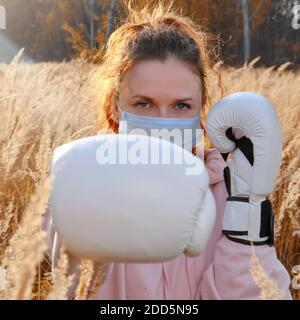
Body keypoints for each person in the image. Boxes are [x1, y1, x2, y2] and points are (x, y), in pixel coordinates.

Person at [42, 1, 292, 300]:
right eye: (143, 103)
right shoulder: (79, 178)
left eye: (181, 105)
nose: (163, 122)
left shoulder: (231, 189)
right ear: (116, 107)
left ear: (202, 110)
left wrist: (247, 213)